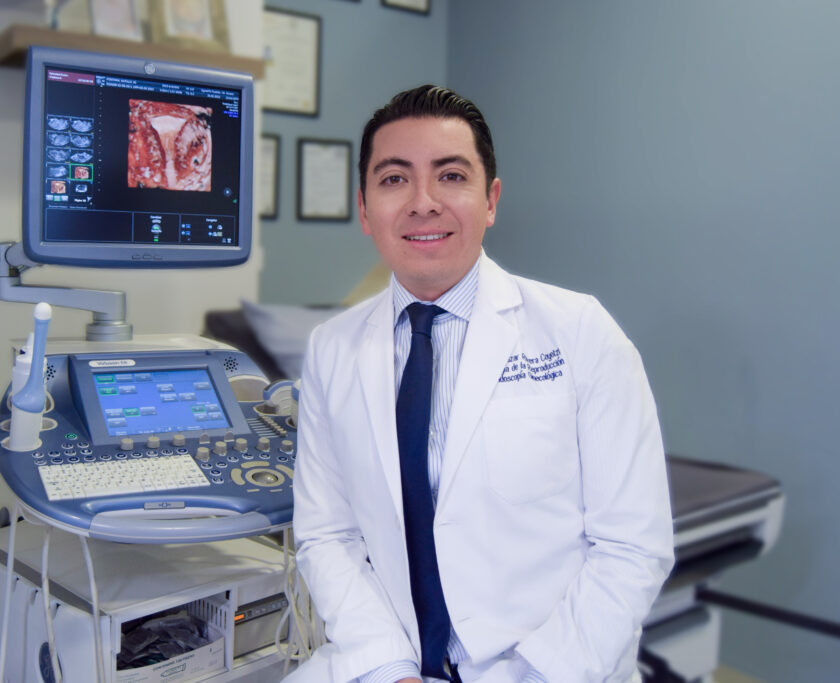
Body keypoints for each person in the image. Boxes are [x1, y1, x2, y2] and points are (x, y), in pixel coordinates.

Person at [286, 85, 675, 683]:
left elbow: (632, 546)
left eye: (451, 176)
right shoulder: (331, 349)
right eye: (394, 179)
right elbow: (327, 534)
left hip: (548, 669)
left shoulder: (581, 332)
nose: (423, 203)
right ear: (364, 209)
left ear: (490, 200)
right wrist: (389, 667)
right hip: (395, 661)